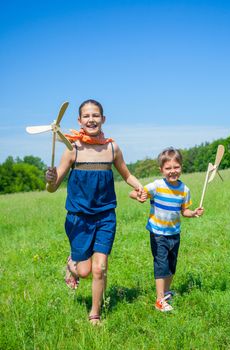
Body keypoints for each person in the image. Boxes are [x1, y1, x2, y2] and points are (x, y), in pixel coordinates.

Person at [46, 99, 144, 325]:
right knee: (84, 271)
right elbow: (53, 188)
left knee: (100, 268)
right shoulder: (72, 150)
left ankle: (95, 313)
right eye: (87, 116)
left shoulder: (112, 148)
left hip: (105, 216)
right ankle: (72, 265)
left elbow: (127, 175)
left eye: (96, 115)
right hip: (78, 219)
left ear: (103, 119)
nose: (91, 119)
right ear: (79, 121)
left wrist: (140, 188)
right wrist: (49, 180)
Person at [130, 147, 204, 312]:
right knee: (161, 264)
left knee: (171, 265)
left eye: (176, 167)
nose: (173, 171)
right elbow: (132, 193)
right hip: (158, 233)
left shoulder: (184, 190)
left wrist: (194, 213)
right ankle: (159, 299)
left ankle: (167, 292)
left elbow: (184, 211)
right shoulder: (157, 186)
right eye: (168, 168)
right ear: (161, 170)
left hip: (174, 233)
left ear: (181, 167)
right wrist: (139, 196)